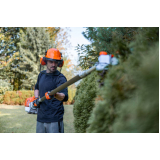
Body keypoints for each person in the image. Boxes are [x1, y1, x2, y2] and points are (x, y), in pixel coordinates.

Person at [33, 48, 68, 133]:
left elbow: (64, 96)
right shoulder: (41, 75)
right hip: (40, 117)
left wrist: (55, 95)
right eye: (51, 61)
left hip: (54, 119)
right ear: (46, 61)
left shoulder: (60, 78)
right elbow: (37, 87)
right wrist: (36, 98)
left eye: (56, 62)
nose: (54, 64)